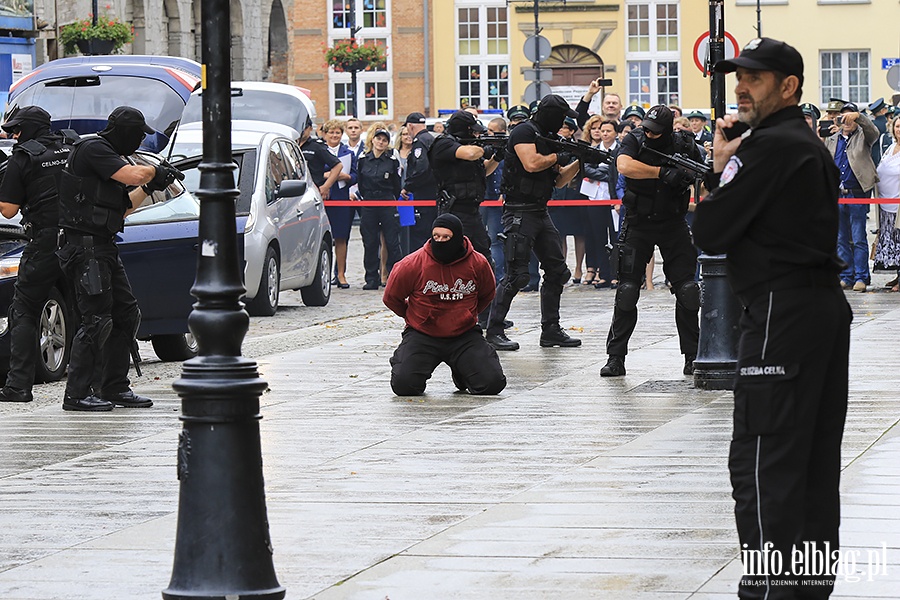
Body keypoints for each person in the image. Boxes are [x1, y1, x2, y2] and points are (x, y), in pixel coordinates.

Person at [692, 37, 851, 600]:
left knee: (764, 456)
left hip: (782, 310)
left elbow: (710, 231)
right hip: (815, 307)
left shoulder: (772, 146)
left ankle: (770, 591)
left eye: (756, 79)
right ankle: (805, 588)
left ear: (789, 87)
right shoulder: (799, 142)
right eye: (740, 76)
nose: (742, 86)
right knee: (809, 456)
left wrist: (719, 170)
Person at [56, 106, 174, 411]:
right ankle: (77, 394)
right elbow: (132, 173)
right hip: (86, 249)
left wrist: (150, 186)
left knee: (126, 314)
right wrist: (152, 171)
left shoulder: (106, 160)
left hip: (102, 247)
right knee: (95, 319)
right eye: (137, 135)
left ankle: (114, 387)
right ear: (124, 132)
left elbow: (124, 208)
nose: (138, 141)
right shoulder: (94, 148)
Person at [599, 104, 703, 378]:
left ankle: (692, 356)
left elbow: (703, 175)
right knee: (627, 291)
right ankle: (615, 357)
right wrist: (661, 172)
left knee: (689, 290)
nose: (648, 133)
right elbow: (624, 165)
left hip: (673, 223)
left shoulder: (684, 144)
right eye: (646, 128)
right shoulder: (634, 138)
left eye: (655, 131)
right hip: (639, 223)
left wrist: (687, 177)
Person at [484, 94, 583, 351]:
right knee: (517, 274)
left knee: (557, 271)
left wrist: (578, 160)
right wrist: (558, 156)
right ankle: (494, 331)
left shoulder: (548, 138)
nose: (563, 123)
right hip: (518, 211)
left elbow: (559, 180)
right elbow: (531, 163)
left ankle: (550, 330)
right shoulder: (524, 132)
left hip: (540, 211)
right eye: (561, 117)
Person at [383, 213, 505, 396]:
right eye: (436, 237)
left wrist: (467, 314)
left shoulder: (478, 263)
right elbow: (391, 297)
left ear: (457, 237)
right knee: (404, 386)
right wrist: (413, 316)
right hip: (423, 334)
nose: (440, 241)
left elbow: (487, 293)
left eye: (446, 237)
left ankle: (463, 371)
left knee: (492, 384)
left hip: (464, 335)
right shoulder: (412, 264)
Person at [0, 107, 73, 403]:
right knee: (88, 312)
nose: (13, 136)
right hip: (79, 241)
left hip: (44, 242)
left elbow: (8, 210)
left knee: (24, 310)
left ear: (28, 128)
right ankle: (93, 385)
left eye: (16, 130)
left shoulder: (23, 158)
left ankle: (18, 386)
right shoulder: (72, 147)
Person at [428, 110, 498, 265]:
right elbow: (471, 154)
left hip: (473, 211)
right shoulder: (443, 143)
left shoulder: (469, 146)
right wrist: (485, 149)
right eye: (472, 132)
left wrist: (497, 157)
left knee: (483, 258)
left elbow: (484, 171)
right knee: (453, 255)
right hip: (453, 210)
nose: (476, 136)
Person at [824, 100, 879, 292]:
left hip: (857, 193)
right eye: (843, 116)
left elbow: (874, 131)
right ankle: (846, 275)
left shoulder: (864, 136)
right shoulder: (832, 138)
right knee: (841, 237)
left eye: (850, 116)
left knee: (858, 237)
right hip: (837, 194)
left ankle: (861, 276)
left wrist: (860, 117)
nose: (846, 120)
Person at [357, 125, 403, 290]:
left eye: (384, 140)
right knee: (370, 242)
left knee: (392, 241)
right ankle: (371, 278)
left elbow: (396, 184)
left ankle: (395, 276)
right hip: (369, 202)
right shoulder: (363, 159)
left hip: (386, 201)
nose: (381, 142)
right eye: (378, 139)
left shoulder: (391, 161)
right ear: (373, 140)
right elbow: (361, 183)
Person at [580, 115, 619, 289]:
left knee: (616, 237)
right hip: (595, 198)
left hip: (614, 199)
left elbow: (618, 172)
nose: (604, 134)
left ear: (615, 133)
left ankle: (616, 274)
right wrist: (605, 174)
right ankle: (603, 274)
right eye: (602, 131)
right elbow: (586, 169)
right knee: (599, 237)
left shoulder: (620, 150)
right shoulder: (593, 150)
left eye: (608, 131)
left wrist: (607, 173)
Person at [321, 119, 358, 289]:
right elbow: (314, 172)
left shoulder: (348, 152)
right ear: (325, 134)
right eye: (331, 132)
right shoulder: (319, 150)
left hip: (342, 198)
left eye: (337, 133)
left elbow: (356, 175)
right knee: (323, 238)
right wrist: (329, 175)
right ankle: (324, 274)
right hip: (324, 199)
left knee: (341, 237)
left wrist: (348, 177)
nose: (334, 135)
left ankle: (341, 274)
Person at [400, 112, 438, 252]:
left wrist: (408, 186)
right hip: (434, 194)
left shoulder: (420, 142)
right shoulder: (431, 139)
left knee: (421, 237)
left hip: (424, 196)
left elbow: (421, 169)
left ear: (410, 126)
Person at [873, 116, 900, 291]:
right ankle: (898, 276)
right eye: (898, 126)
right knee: (894, 243)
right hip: (885, 205)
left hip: (898, 206)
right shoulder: (890, 148)